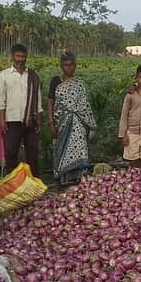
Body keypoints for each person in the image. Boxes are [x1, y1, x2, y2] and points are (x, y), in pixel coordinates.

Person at [47, 52, 97, 184]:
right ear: (61, 66)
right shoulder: (55, 81)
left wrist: (87, 124)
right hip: (61, 122)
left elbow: (84, 105)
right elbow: (50, 102)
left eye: (71, 65)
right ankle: (63, 177)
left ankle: (78, 178)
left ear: (75, 66)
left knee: (79, 150)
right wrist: (51, 123)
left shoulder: (79, 84)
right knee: (61, 148)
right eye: (65, 65)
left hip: (78, 122)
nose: (68, 68)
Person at [0, 44, 43, 177]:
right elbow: (1, 99)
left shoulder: (33, 75)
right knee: (11, 153)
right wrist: (2, 120)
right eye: (18, 56)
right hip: (12, 120)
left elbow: (38, 98)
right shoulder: (4, 75)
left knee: (32, 153)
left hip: (31, 120)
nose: (21, 59)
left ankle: (33, 182)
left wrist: (39, 119)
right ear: (12, 56)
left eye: (23, 57)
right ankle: (12, 182)